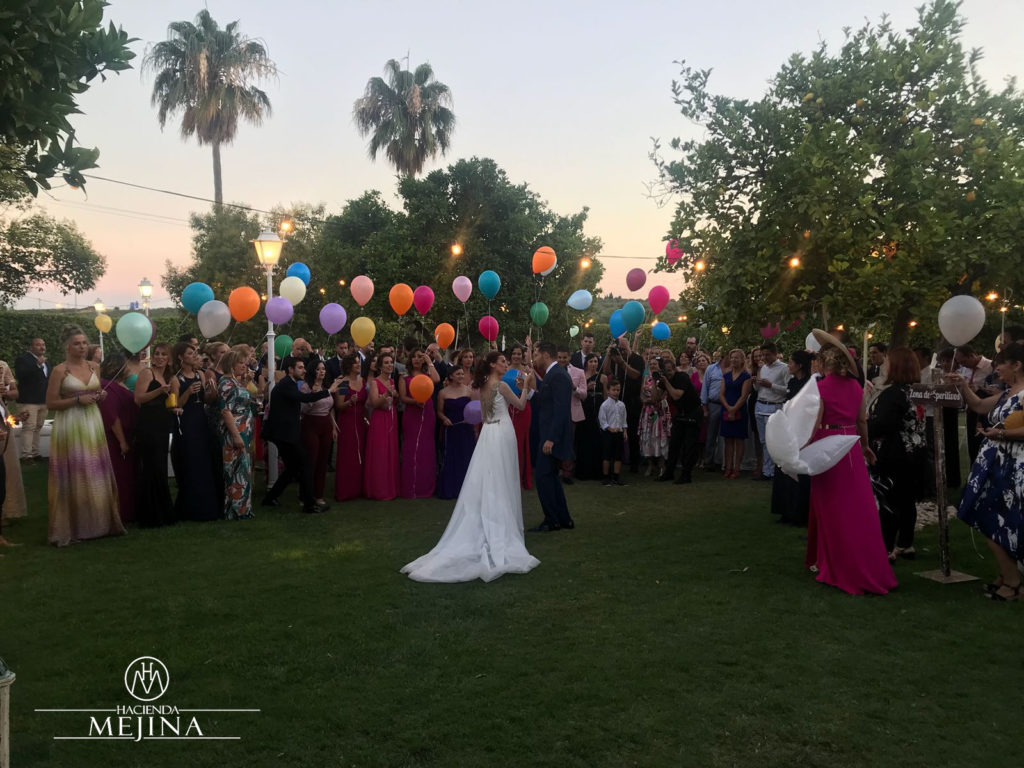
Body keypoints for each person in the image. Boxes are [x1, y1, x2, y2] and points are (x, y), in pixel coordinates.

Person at [401, 351, 539, 582]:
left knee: (488, 478)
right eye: (503, 362)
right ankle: (500, 527)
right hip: (503, 432)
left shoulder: (483, 386)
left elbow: (484, 416)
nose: (506, 364)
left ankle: (490, 518)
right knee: (502, 478)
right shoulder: (501, 386)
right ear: (494, 365)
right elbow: (522, 406)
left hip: (488, 433)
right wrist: (525, 385)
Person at [805, 331, 897, 596]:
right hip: (851, 444)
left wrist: (803, 447)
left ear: (826, 364)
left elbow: (814, 422)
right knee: (856, 506)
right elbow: (862, 421)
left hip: (827, 443)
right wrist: (866, 446)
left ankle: (834, 565)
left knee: (830, 508)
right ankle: (841, 561)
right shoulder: (856, 387)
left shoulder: (820, 388)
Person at [950, 342, 1024, 601]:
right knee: (986, 518)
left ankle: (1013, 583)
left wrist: (1000, 433)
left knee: (998, 521)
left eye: (1001, 365)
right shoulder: (1007, 393)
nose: (997, 371)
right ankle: (1007, 574)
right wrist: (962, 385)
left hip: (1012, 466)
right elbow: (980, 406)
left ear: (1017, 365)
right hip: (994, 464)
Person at [45, 325, 125, 546]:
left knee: (94, 468)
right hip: (70, 422)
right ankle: (75, 525)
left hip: (92, 421)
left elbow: (94, 391)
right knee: (76, 470)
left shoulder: (94, 367)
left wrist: (100, 394)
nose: (81, 347)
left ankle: (99, 523)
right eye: (76, 344)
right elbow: (50, 402)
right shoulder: (60, 371)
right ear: (67, 347)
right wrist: (77, 400)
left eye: (84, 343)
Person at [868, 347, 928, 559]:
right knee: (907, 500)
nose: (883, 365)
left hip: (895, 454)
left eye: (886, 361)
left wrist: (867, 422)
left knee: (889, 501)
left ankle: (886, 548)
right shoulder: (915, 390)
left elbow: (882, 425)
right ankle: (905, 543)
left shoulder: (893, 394)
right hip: (916, 452)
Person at [263, 356, 339, 513]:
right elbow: (304, 398)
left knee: (292, 467)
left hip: (286, 433)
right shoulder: (287, 385)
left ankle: (270, 498)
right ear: (290, 369)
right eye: (300, 367)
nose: (304, 370)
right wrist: (328, 391)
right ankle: (309, 504)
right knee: (305, 464)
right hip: (284, 434)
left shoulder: (289, 384)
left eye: (304, 367)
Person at [171, 342, 220, 521]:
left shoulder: (200, 374)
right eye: (190, 353)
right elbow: (175, 404)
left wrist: (211, 391)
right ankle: (189, 507)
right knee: (191, 462)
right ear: (180, 357)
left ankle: (206, 506)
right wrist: (189, 392)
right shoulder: (176, 379)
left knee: (204, 462)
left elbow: (206, 399)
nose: (193, 355)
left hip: (201, 420)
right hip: (186, 422)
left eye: (194, 353)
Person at [529, 342, 575, 532]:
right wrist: (531, 391)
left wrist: (551, 439)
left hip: (551, 437)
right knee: (551, 478)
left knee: (543, 477)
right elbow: (547, 401)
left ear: (546, 354)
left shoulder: (558, 375)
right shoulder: (553, 374)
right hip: (548, 434)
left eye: (536, 354)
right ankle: (563, 518)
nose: (534, 358)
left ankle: (552, 519)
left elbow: (561, 410)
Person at [133, 342, 178, 528]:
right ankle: (149, 515)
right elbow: (138, 398)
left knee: (160, 467)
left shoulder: (167, 376)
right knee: (151, 468)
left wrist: (174, 402)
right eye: (157, 354)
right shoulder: (147, 373)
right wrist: (159, 390)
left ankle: (162, 512)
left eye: (163, 355)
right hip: (148, 425)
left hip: (161, 425)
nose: (159, 357)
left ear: (169, 359)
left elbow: (170, 403)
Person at [770, 351, 813, 526]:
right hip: (789, 428)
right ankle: (785, 510)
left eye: (790, 362)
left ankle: (799, 512)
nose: (788, 365)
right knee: (783, 468)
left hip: (802, 429)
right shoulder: (793, 382)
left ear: (800, 365)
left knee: (799, 472)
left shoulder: (809, 384)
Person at [98, 352, 138, 526]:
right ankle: (119, 513)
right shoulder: (107, 386)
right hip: (116, 438)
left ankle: (129, 510)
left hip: (129, 433)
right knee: (118, 476)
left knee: (129, 476)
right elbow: (111, 416)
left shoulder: (117, 384)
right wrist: (122, 441)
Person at [218, 350, 259, 519]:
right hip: (235, 432)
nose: (244, 365)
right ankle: (235, 510)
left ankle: (243, 509)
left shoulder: (235, 381)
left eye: (244, 362)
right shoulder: (226, 383)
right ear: (231, 364)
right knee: (235, 471)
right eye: (240, 363)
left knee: (243, 469)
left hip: (245, 431)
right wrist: (236, 435)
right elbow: (226, 411)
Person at [399, 348, 440, 498]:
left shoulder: (427, 375)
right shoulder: (404, 377)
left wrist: (429, 361)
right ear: (410, 360)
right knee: (411, 448)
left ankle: (425, 485)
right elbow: (403, 397)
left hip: (428, 412)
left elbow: (437, 380)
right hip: (412, 413)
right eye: (414, 357)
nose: (417, 359)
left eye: (420, 357)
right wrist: (415, 402)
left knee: (426, 448)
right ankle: (410, 485)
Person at [657, 355, 703, 484]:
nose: (668, 373)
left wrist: (666, 383)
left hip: (693, 412)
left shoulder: (682, 377)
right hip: (681, 414)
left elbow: (677, 395)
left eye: (670, 371)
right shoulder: (664, 380)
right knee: (674, 444)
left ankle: (686, 475)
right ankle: (669, 472)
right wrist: (657, 384)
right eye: (665, 371)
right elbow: (656, 398)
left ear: (674, 369)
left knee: (689, 446)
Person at [601, 337, 644, 472]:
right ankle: (615, 462)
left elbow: (636, 375)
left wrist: (622, 363)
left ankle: (634, 463)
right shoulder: (615, 358)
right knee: (615, 432)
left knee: (632, 433)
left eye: (624, 349)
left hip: (632, 402)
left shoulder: (637, 359)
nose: (622, 352)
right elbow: (606, 371)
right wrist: (609, 355)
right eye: (620, 349)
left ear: (629, 346)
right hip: (617, 401)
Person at [364, 351, 400, 500]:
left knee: (390, 452)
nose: (390, 365)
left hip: (391, 417)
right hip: (379, 419)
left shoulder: (392, 382)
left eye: (391, 362)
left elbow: (394, 402)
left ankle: (390, 486)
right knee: (380, 453)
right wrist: (385, 395)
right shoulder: (375, 382)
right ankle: (378, 488)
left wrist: (395, 396)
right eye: (386, 363)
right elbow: (373, 403)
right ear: (380, 366)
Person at [752, 342, 791, 481]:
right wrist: (756, 383)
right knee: (763, 441)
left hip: (774, 406)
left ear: (775, 354)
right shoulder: (763, 368)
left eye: (767, 355)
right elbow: (759, 390)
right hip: (760, 405)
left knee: (773, 441)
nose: (765, 357)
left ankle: (775, 471)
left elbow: (788, 390)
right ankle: (766, 471)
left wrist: (772, 385)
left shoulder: (784, 368)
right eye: (763, 355)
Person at [436, 367, 477, 499]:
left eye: (462, 374)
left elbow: (475, 409)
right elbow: (439, 411)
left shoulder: (468, 391)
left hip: (466, 428)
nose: (461, 376)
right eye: (458, 374)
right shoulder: (443, 393)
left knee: (466, 456)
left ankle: (468, 490)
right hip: (451, 429)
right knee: (451, 458)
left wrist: (474, 427)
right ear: (451, 376)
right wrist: (444, 419)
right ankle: (451, 489)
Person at [333, 353, 367, 502]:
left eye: (359, 362)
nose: (358, 365)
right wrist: (349, 402)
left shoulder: (363, 380)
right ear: (348, 366)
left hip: (360, 421)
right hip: (347, 421)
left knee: (361, 452)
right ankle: (346, 490)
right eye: (355, 363)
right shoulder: (344, 383)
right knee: (348, 454)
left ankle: (359, 488)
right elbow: (339, 405)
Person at [955, 345, 994, 461]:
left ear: (972, 355)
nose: (962, 365)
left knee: (983, 445)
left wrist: (979, 389)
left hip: (985, 412)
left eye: (964, 361)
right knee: (972, 446)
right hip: (970, 411)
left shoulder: (990, 366)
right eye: (959, 362)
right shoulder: (964, 370)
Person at [14, 337, 49, 462]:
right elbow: (22, 376)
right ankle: (26, 455)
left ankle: (35, 452)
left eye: (43, 344)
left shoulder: (46, 362)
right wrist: (37, 365)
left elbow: (46, 380)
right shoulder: (23, 360)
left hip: (43, 400)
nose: (42, 347)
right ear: (31, 347)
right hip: (28, 400)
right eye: (38, 345)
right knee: (29, 427)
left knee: (38, 427)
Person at [719, 349, 752, 479]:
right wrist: (728, 408)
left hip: (740, 409)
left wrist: (734, 409)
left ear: (742, 360)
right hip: (726, 408)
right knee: (727, 440)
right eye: (732, 357)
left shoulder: (746, 376)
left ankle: (737, 468)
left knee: (738, 440)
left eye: (736, 358)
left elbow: (744, 396)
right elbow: (721, 394)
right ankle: (728, 467)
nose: (733, 360)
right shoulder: (726, 376)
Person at [0, 360, 26, 523]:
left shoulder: (2, 366)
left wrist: (6, 394)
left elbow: (15, 393)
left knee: (6, 468)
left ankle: (5, 512)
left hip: (2, 418)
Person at [505, 344, 533, 490]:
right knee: (508, 442)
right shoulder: (504, 369)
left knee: (521, 443)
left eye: (519, 354)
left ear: (523, 355)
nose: (516, 356)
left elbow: (533, 392)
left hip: (523, 409)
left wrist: (524, 388)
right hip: (507, 408)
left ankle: (520, 479)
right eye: (514, 353)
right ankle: (507, 478)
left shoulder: (527, 371)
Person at [558, 346, 587, 484]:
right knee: (556, 440)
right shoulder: (552, 371)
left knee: (569, 442)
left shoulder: (579, 372)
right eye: (559, 357)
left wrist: (574, 388)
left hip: (572, 413)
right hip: (556, 413)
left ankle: (567, 472)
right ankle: (556, 469)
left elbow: (584, 394)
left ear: (569, 357)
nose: (562, 360)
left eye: (564, 357)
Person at [574, 353, 605, 480]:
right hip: (584, 409)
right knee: (583, 439)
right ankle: (583, 471)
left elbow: (605, 395)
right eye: (591, 361)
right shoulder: (582, 375)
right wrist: (587, 387)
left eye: (596, 361)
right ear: (586, 363)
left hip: (597, 409)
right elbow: (577, 393)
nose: (594, 363)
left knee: (596, 440)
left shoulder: (602, 377)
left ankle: (596, 471)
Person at [638, 356, 670, 478]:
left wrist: (652, 399)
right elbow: (641, 394)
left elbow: (660, 396)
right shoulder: (646, 378)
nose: (652, 366)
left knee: (658, 436)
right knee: (647, 437)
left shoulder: (662, 379)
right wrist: (644, 400)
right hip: (647, 411)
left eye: (655, 364)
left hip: (658, 412)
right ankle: (650, 465)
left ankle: (662, 465)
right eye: (650, 364)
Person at [599, 379, 628, 485]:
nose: (616, 392)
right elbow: (602, 420)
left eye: (618, 390)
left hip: (619, 433)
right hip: (608, 434)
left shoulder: (622, 405)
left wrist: (624, 431)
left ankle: (616, 477)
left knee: (618, 456)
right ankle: (606, 477)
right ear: (608, 391)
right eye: (613, 390)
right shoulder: (605, 405)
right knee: (606, 455)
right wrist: (610, 428)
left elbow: (624, 419)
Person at [700, 349, 725, 471]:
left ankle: (720, 461)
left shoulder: (731, 369)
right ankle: (708, 461)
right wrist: (704, 408)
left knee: (723, 436)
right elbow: (705, 388)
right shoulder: (711, 369)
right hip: (713, 405)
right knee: (711, 435)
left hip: (727, 406)